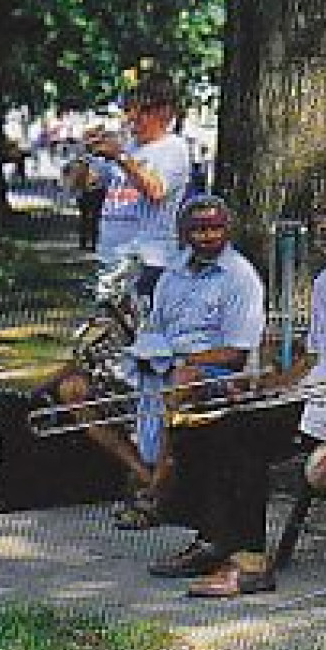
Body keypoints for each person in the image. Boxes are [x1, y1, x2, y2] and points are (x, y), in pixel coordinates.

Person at [156, 184, 326, 599]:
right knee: (202, 425)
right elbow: (312, 359)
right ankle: (213, 540)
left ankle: (250, 563)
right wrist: (264, 385)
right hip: (310, 396)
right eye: (324, 214)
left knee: (242, 432)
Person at [42, 194, 266, 529]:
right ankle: (145, 474)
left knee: (181, 379)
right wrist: (139, 348)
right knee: (74, 385)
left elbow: (237, 352)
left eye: (215, 228)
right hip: (159, 365)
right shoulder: (172, 272)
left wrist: (177, 358)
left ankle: (155, 495)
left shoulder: (240, 277)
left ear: (228, 230)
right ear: (183, 232)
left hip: (209, 375)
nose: (207, 236)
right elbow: (154, 328)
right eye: (198, 229)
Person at [66, 73, 190, 301]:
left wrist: (120, 156)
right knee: (113, 329)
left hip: (149, 260)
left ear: (165, 112)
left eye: (142, 110)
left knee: (143, 332)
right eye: (129, 109)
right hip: (111, 255)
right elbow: (79, 184)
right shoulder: (126, 146)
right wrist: (83, 152)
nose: (132, 117)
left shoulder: (174, 148)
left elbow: (156, 190)